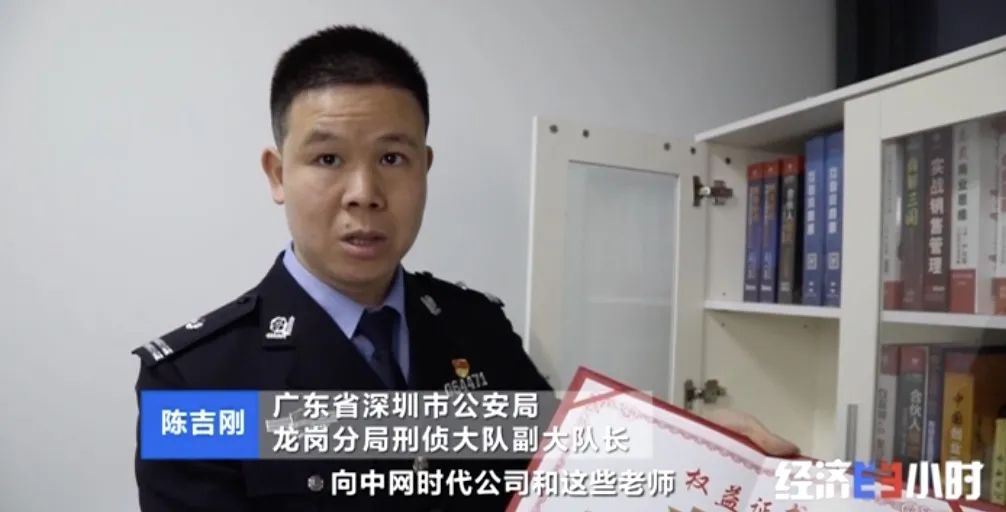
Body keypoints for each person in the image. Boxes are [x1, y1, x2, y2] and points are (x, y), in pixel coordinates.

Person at [132, 25, 798, 512]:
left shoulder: (476, 327)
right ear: (278, 175)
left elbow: (562, 464)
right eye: (328, 159)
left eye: (392, 158)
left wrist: (696, 442)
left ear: (424, 169)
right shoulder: (193, 385)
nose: (364, 193)